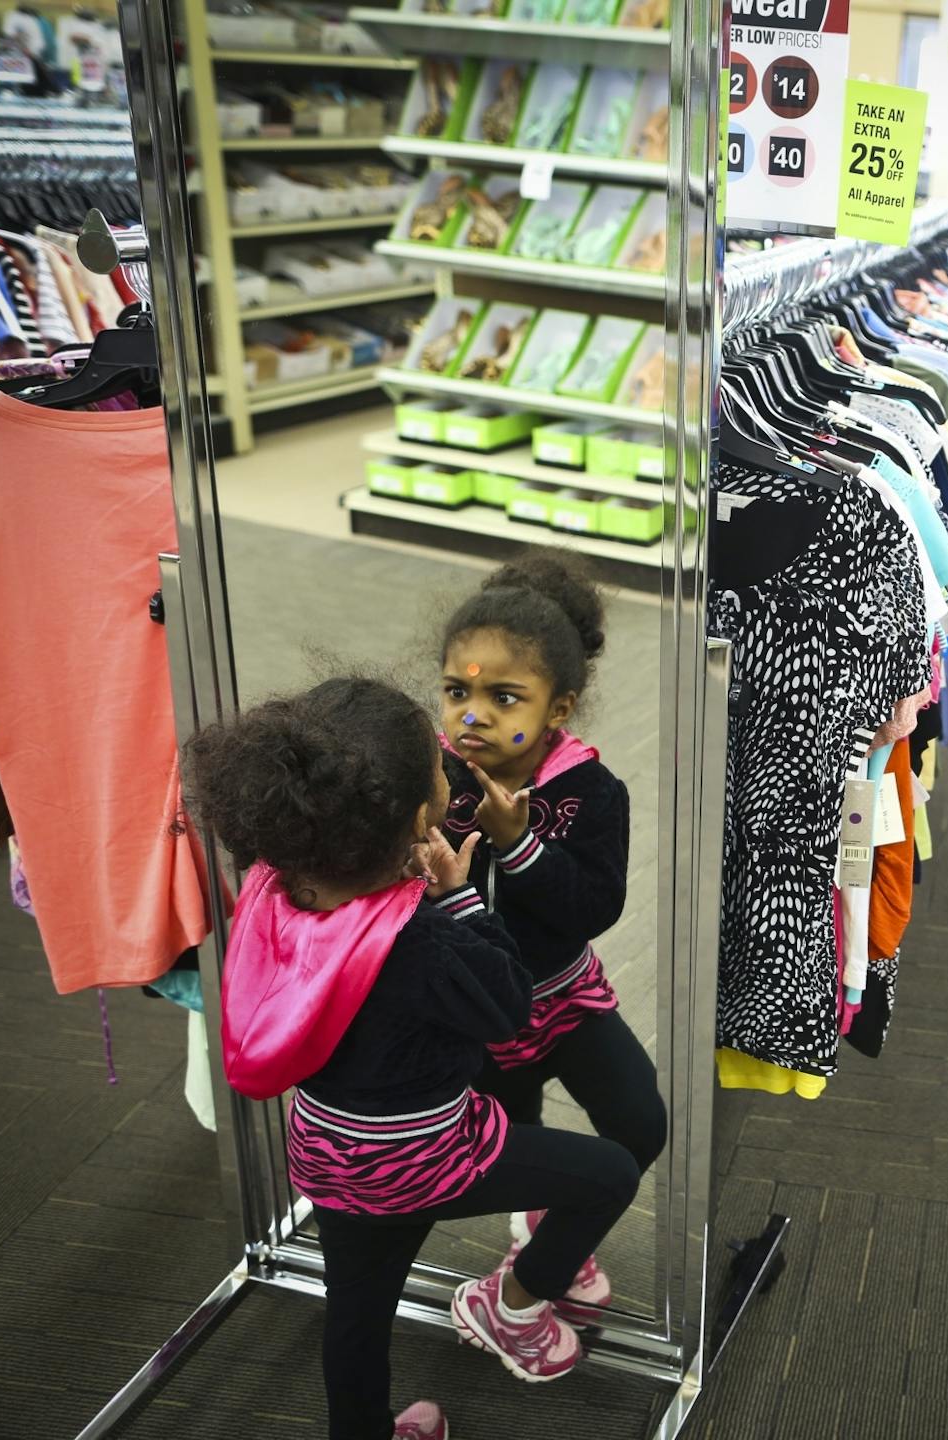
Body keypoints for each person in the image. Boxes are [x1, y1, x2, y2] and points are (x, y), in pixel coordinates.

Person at [186, 677, 647, 1438]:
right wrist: (460, 897)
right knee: (611, 1174)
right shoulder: (420, 940)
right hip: (427, 1158)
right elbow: (507, 1007)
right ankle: (514, 1307)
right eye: (436, 771)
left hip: (330, 1155)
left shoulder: (275, 889)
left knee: (356, 1317)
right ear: (416, 813)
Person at [436, 552, 663, 1300]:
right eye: (456, 692)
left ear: (556, 710)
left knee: (640, 1123)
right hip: (477, 1014)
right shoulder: (429, 781)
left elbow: (594, 907)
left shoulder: (591, 792)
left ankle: (527, 1284)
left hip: (566, 999)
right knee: (509, 1150)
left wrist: (518, 845)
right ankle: (538, 1243)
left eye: (504, 698)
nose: (473, 715)